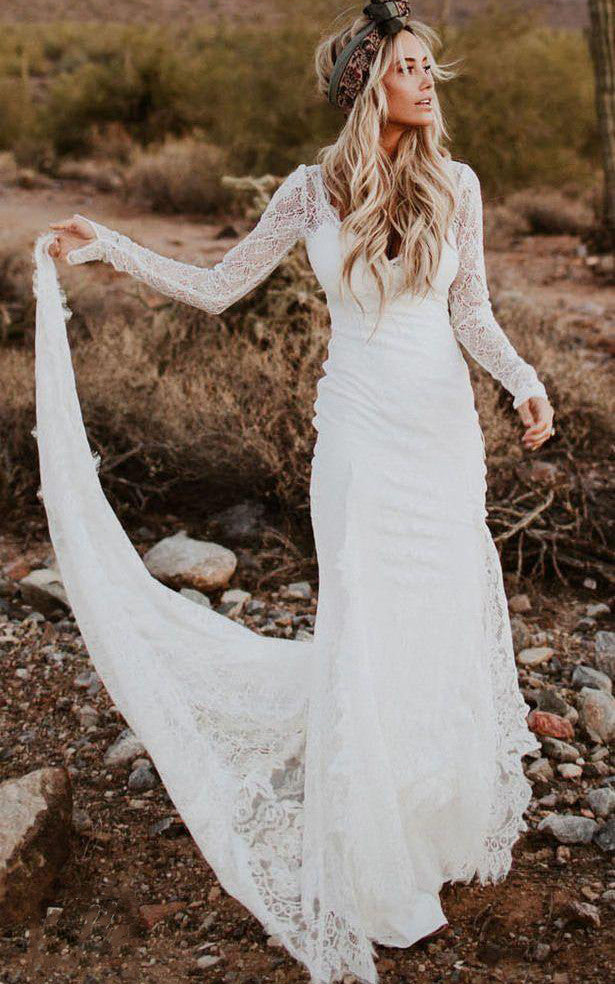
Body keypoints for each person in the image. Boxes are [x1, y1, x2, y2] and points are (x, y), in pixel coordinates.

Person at [34, 3, 554, 983]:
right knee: (364, 621)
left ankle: (427, 822)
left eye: (428, 65)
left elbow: (472, 311)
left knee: (435, 619)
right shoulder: (311, 193)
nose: (428, 80)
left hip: (441, 439)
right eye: (408, 67)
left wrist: (523, 381)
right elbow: (219, 285)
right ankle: (374, 859)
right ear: (366, 85)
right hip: (357, 436)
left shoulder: (458, 184)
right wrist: (111, 247)